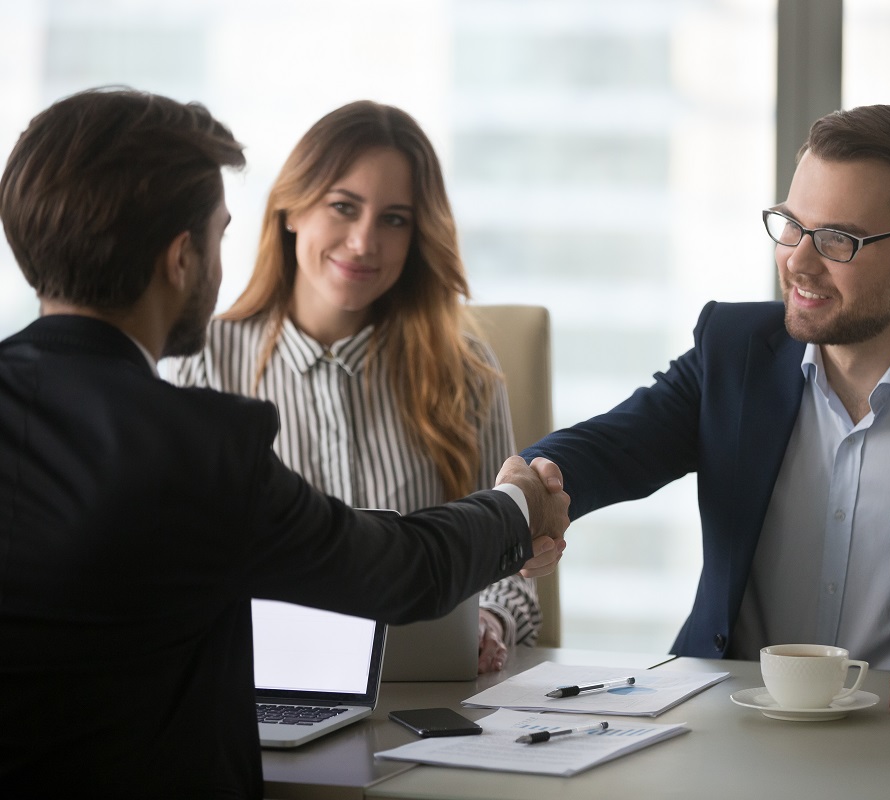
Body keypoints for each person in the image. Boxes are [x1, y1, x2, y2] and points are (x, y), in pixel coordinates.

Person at [0, 87, 568, 799]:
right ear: (182, 259)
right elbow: (399, 569)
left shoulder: (464, 374)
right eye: (216, 235)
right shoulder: (198, 441)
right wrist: (517, 503)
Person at [522, 104, 890, 718]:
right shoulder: (734, 350)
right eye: (791, 225)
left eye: (838, 239)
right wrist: (532, 488)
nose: (797, 262)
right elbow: (610, 449)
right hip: (725, 722)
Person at [161, 101, 548, 673]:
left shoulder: (465, 371)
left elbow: (515, 560)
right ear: (291, 209)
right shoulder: (201, 365)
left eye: (394, 219)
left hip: (429, 699)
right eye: (343, 207)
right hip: (266, 699)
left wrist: (490, 622)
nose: (365, 242)